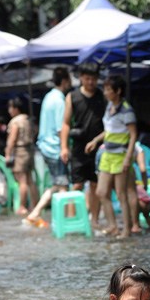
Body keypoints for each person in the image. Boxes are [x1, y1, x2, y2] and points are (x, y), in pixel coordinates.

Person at [85, 75, 139, 237]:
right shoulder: (109, 107)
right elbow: (109, 130)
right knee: (101, 192)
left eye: (109, 89)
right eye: (106, 89)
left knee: (121, 194)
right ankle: (113, 225)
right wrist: (95, 140)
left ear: (118, 91)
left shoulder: (126, 110)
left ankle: (126, 229)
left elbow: (133, 135)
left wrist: (128, 158)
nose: (106, 92)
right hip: (107, 154)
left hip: (121, 155)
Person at [60, 62, 106, 230]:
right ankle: (72, 220)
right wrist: (63, 147)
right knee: (77, 185)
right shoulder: (72, 97)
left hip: (99, 147)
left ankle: (94, 220)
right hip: (78, 146)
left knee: (95, 185)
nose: (90, 82)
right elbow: (65, 123)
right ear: (80, 78)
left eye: (93, 79)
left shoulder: (103, 96)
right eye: (87, 79)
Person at [25, 66, 72, 228]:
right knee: (62, 184)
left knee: (57, 183)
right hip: (55, 147)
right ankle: (67, 219)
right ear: (65, 81)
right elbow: (61, 128)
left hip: (45, 145)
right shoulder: (59, 100)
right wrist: (65, 147)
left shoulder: (48, 97)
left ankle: (36, 213)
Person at [4, 97, 35, 214]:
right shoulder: (28, 119)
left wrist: (7, 153)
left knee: (22, 180)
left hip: (20, 151)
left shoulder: (15, 121)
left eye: (11, 108)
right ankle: (34, 204)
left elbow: (12, 139)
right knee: (30, 180)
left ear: (16, 108)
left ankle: (22, 206)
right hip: (29, 150)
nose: (9, 110)